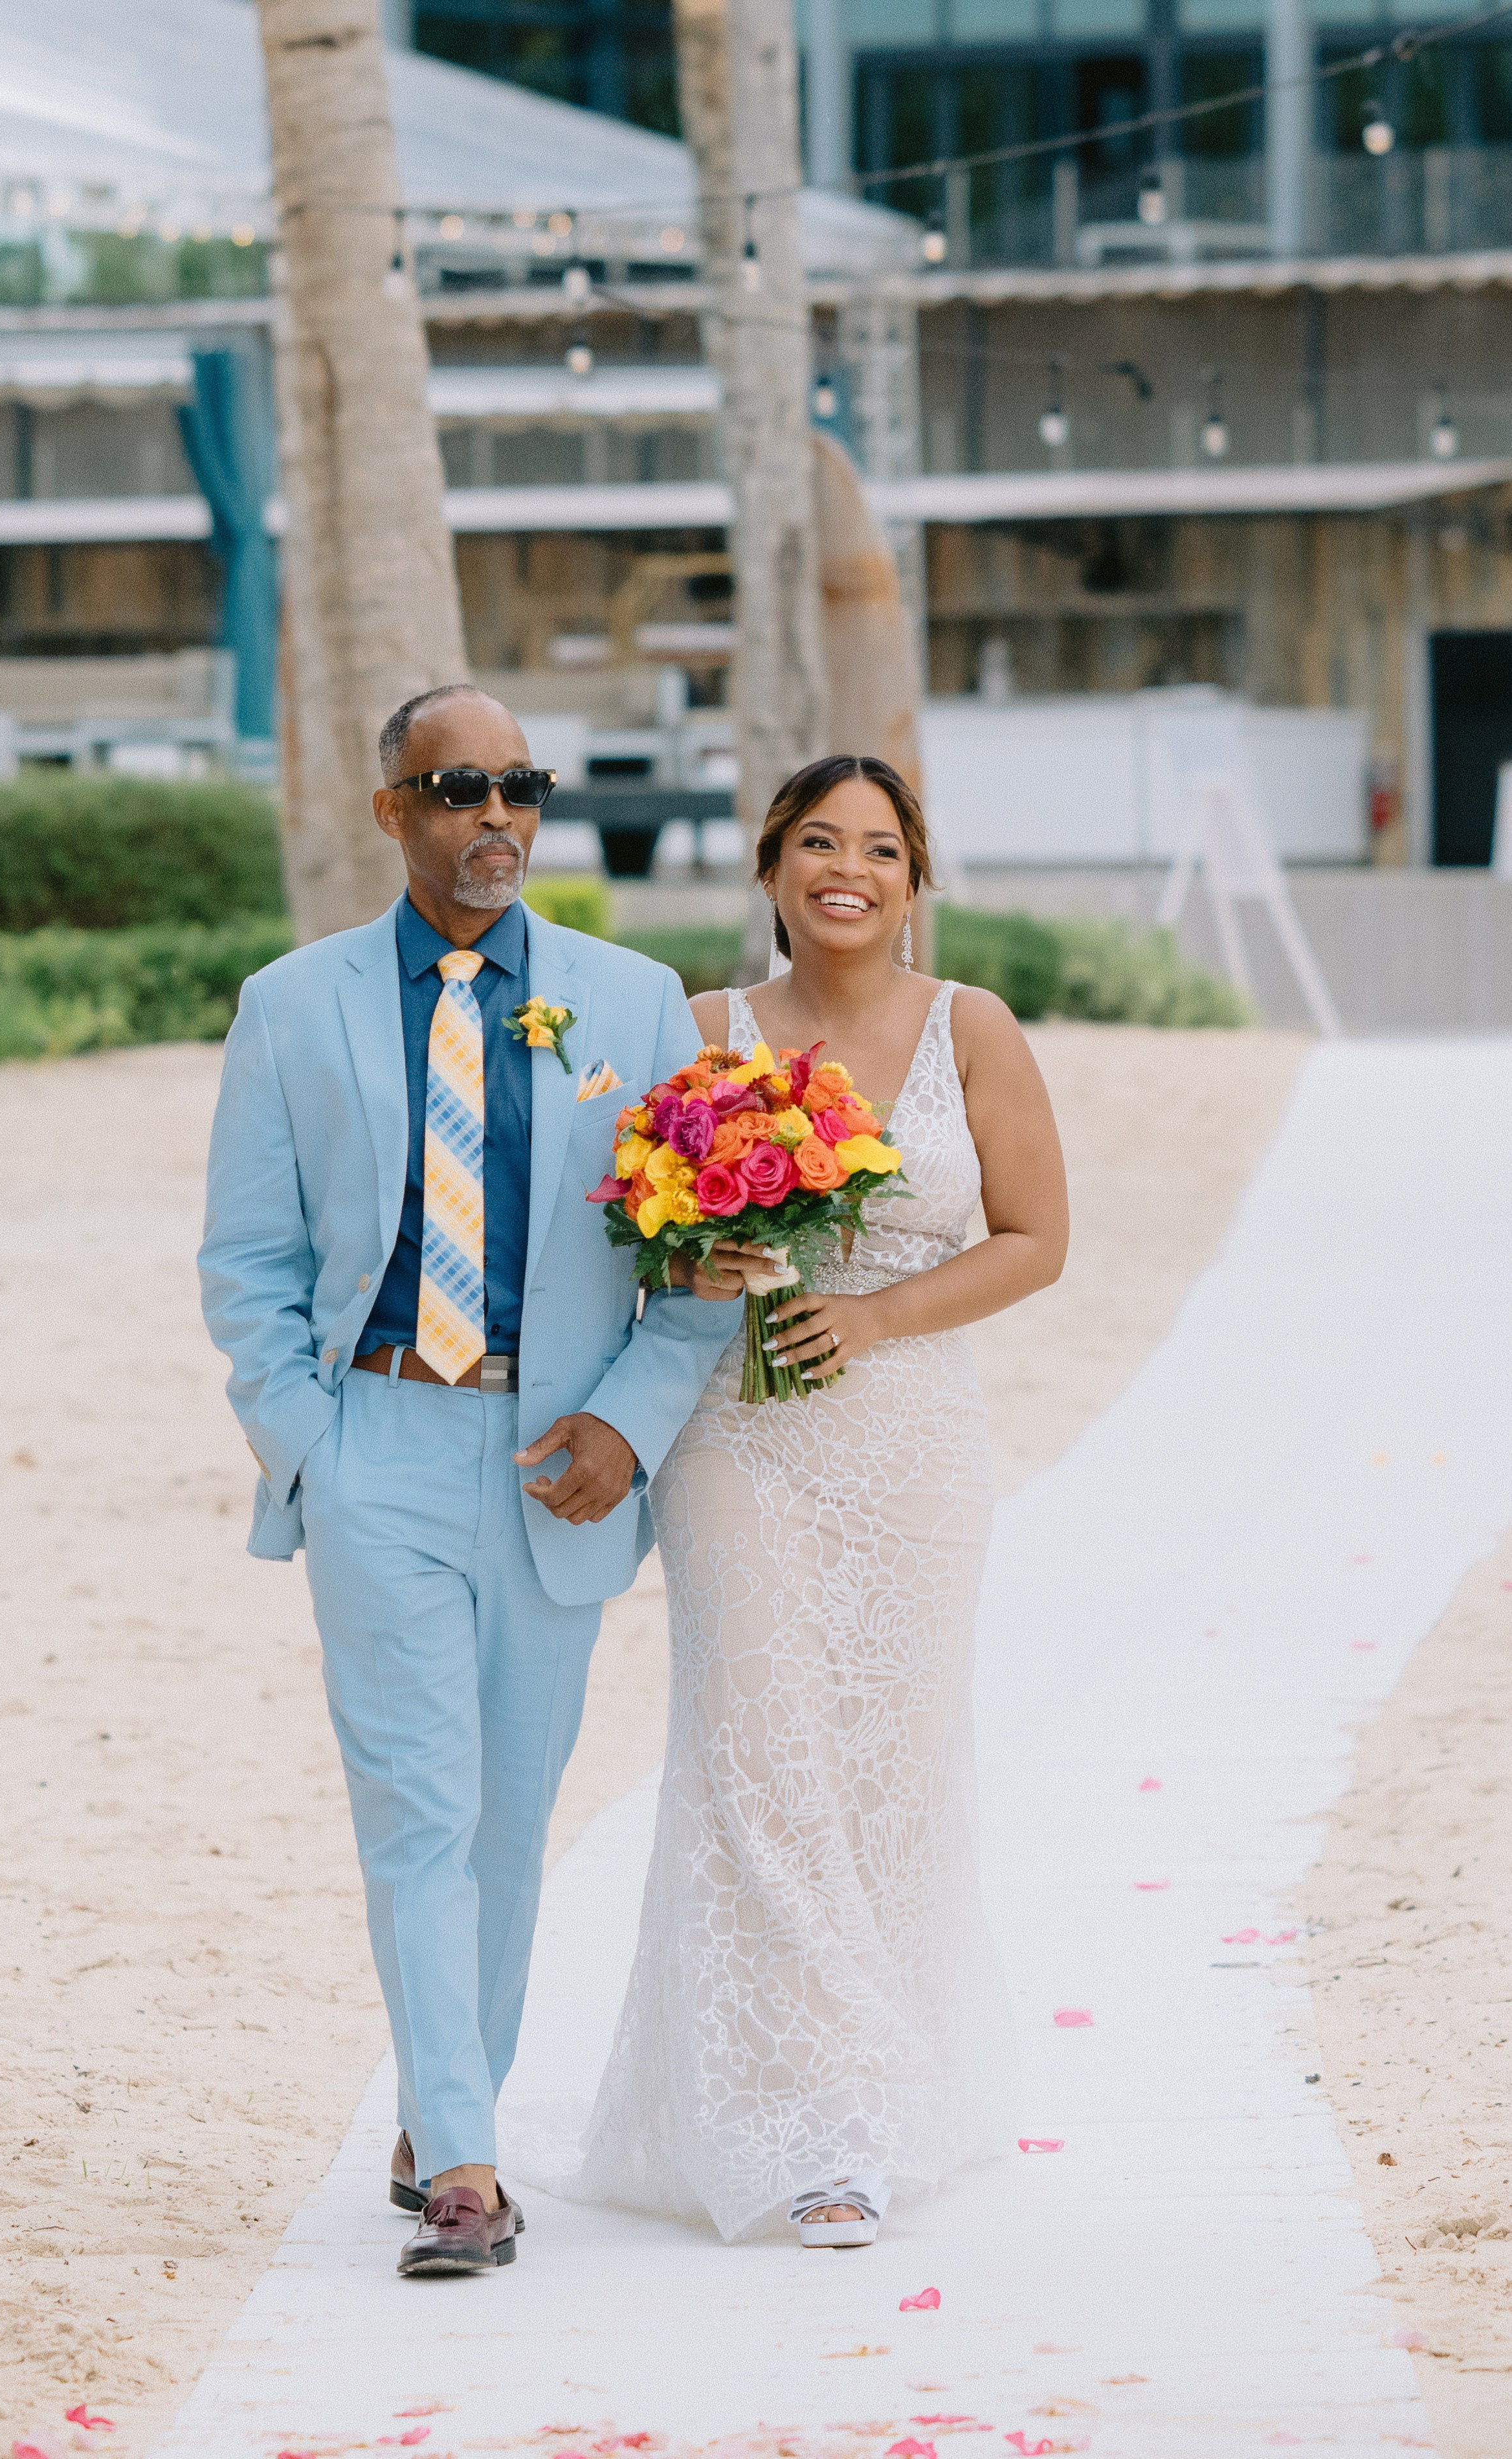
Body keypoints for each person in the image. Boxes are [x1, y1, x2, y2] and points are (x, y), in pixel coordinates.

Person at [197, 686, 739, 2278]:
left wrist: (630, 1425)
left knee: (507, 1817)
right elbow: (248, 1259)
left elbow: (696, 1266)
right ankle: (469, 2170)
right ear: (395, 812)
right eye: (457, 788)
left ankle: (447, 2116)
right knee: (420, 1806)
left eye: (521, 786)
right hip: (377, 1447)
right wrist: (310, 1445)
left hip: (560, 1457)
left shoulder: (634, 1004)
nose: (494, 815)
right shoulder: (290, 1006)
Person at [570, 753, 1069, 2247]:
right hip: (735, 1440)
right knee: (757, 1760)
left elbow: (1038, 1236)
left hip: (909, 1442)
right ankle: (809, 2128)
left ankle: (882, 2082)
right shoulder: (701, 1029)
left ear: (914, 879)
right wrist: (692, 1256)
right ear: (771, 868)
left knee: (887, 1769)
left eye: (876, 848)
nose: (843, 869)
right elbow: (631, 1232)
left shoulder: (968, 1029)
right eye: (813, 843)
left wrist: (878, 1316)